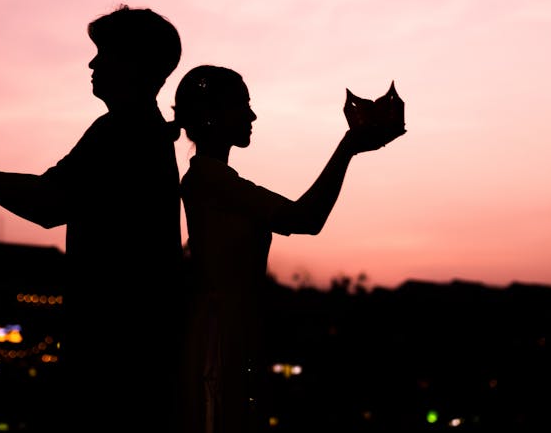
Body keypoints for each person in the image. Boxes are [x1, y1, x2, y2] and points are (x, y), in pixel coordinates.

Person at [0, 5, 185, 433]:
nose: (92, 63)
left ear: (135, 64)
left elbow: (50, 202)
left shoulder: (122, 132)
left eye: (104, 52)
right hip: (137, 347)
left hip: (115, 350)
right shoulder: (140, 131)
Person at [172, 65, 405, 433]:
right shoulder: (209, 178)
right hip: (220, 333)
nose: (252, 115)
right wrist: (347, 148)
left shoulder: (210, 178)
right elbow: (304, 218)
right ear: (212, 115)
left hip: (228, 325)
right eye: (242, 106)